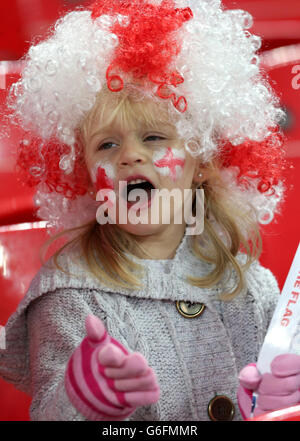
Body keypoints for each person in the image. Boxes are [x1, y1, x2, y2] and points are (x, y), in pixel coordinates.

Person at [0, 0, 299, 421]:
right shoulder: (69, 298)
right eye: (107, 144)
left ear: (204, 161)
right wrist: (81, 402)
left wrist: (278, 407)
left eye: (155, 137)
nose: (130, 156)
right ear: (83, 175)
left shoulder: (254, 287)